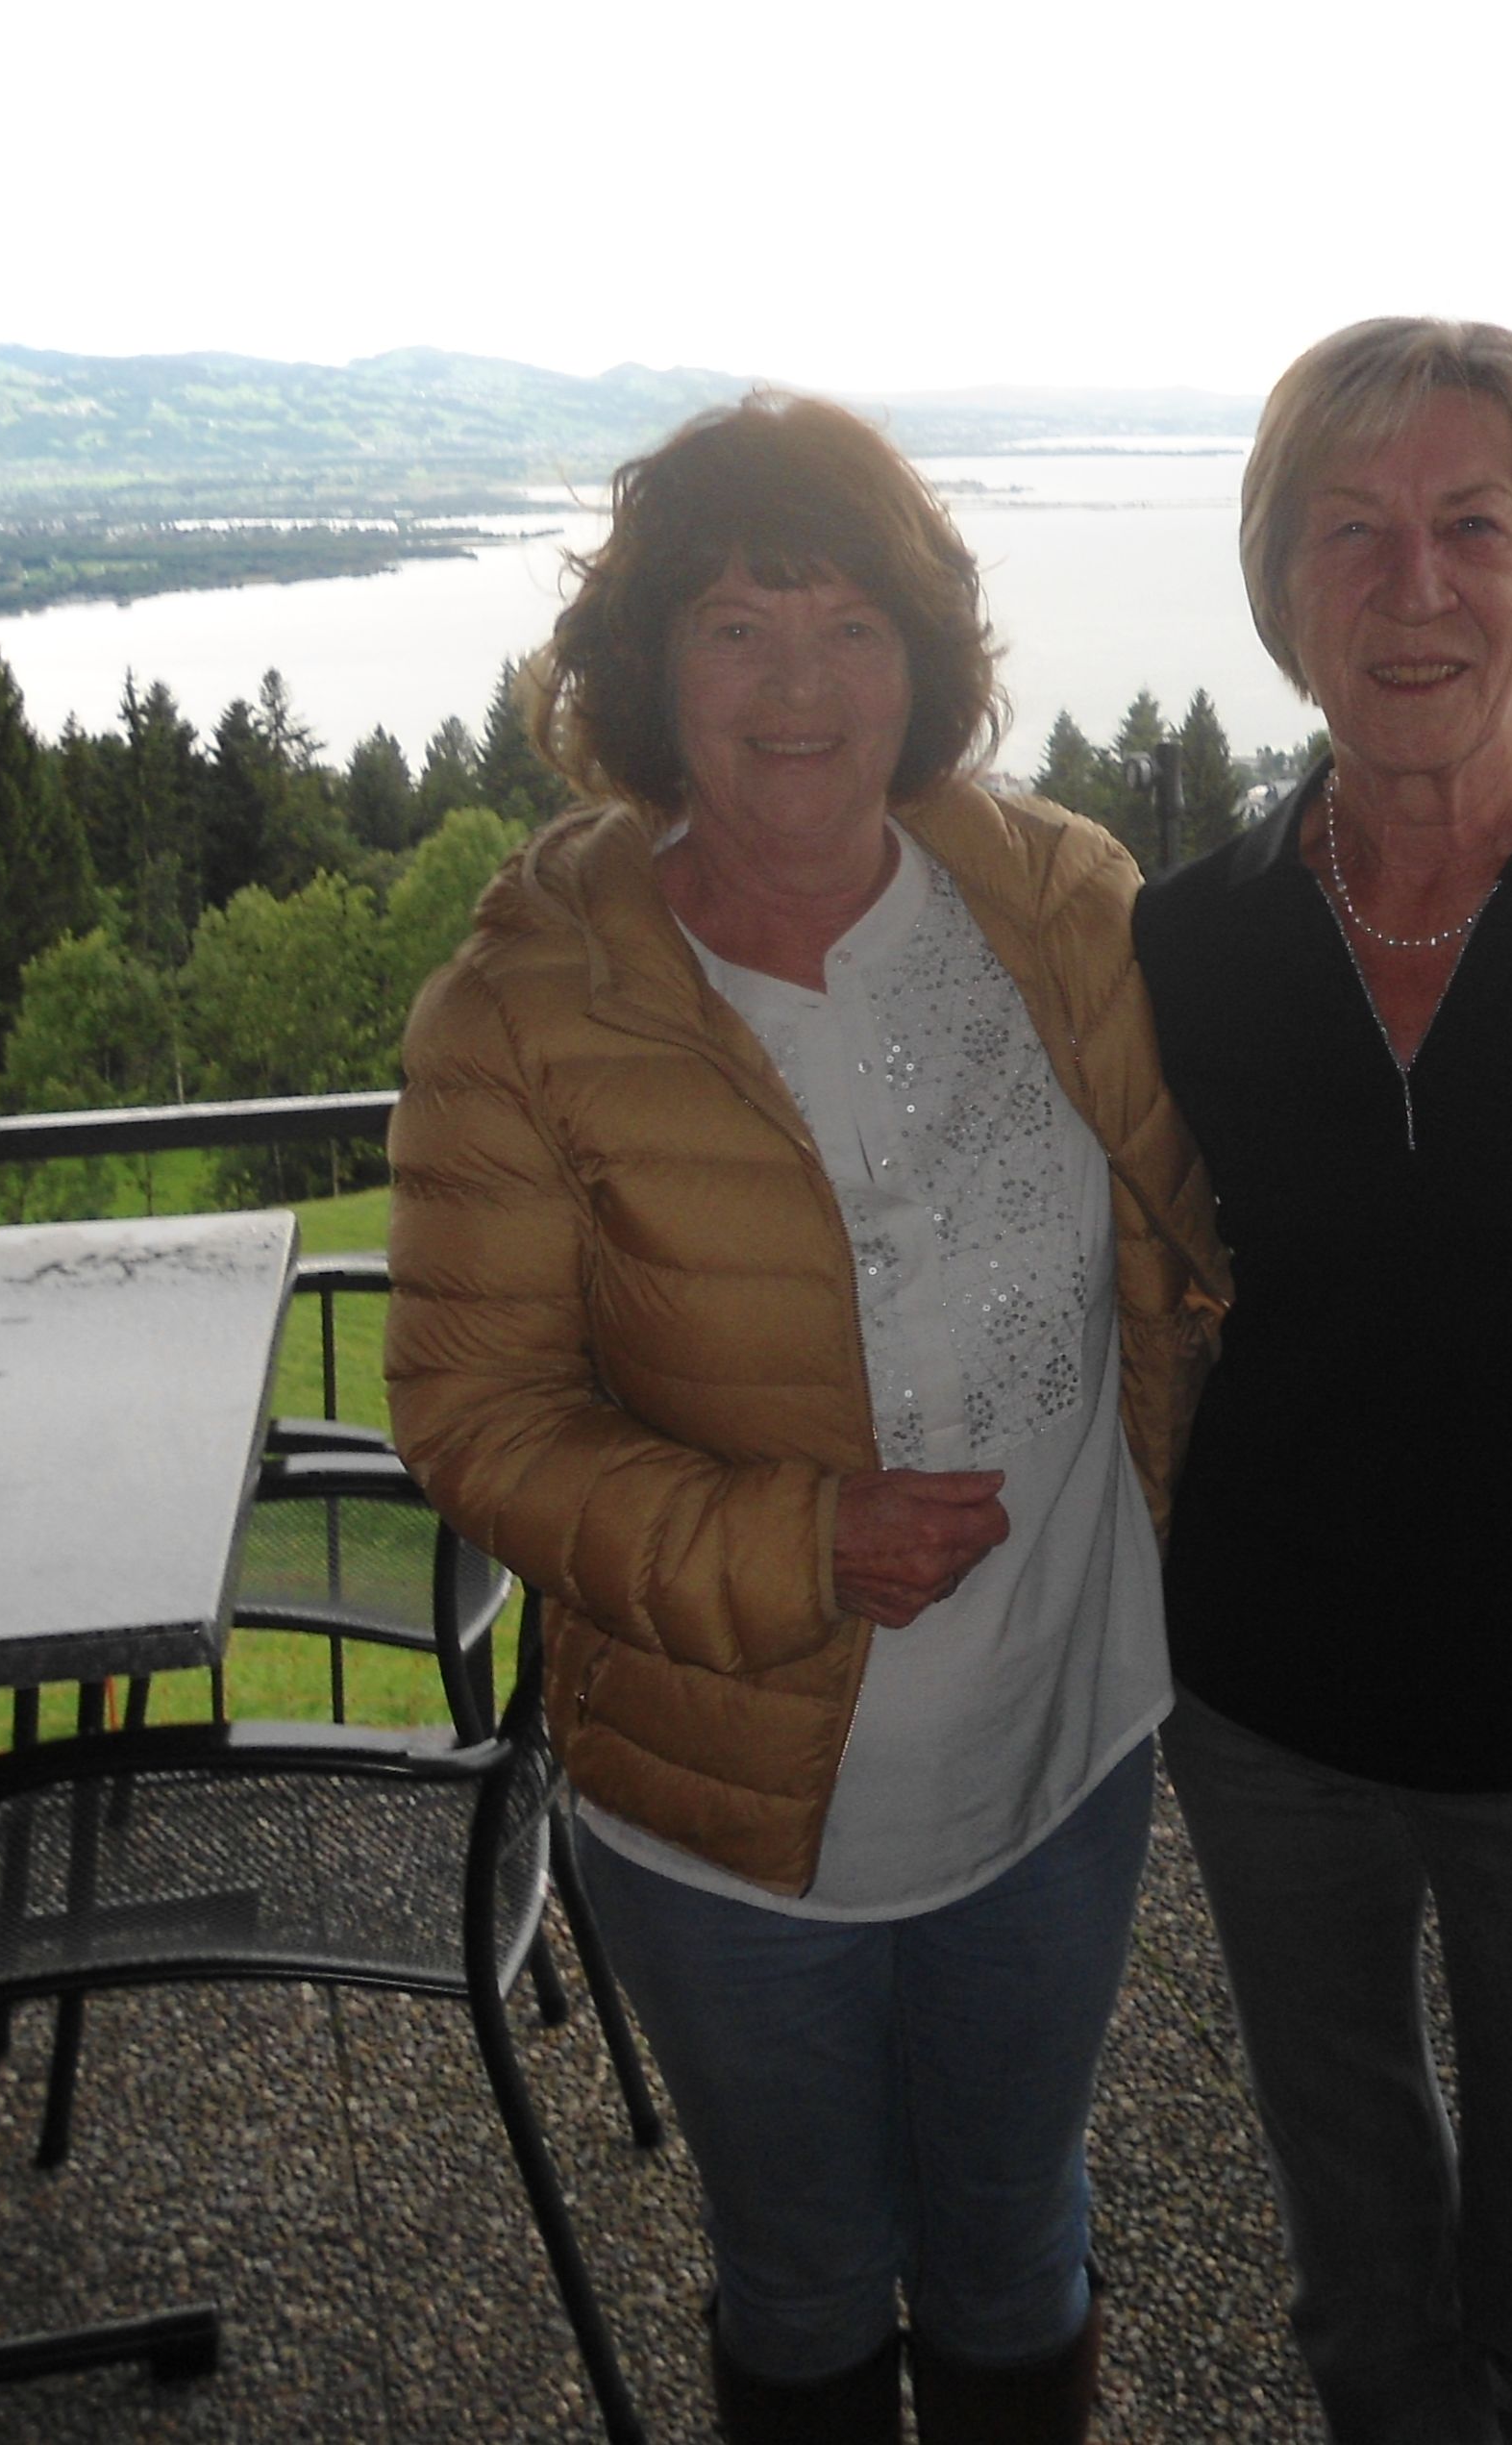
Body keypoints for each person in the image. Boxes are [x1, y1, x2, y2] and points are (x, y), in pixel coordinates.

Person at [385, 393, 1227, 2445]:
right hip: (730, 1810)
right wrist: (798, 1540)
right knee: (803, 2278)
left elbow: (1204, 1238)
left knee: (1017, 2246)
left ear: (920, 661)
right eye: (736, 626)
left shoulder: (1059, 904)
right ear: (646, 670)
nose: (796, 687)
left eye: (848, 624)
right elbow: (474, 1414)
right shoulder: (525, 1009)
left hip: (1061, 1746)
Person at [1133, 317, 1512, 2445]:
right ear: (1280, 580)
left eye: (1470, 527)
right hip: (1265, 1698)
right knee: (1359, 2267)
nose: (1414, 589)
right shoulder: (1185, 942)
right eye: (1351, 532)